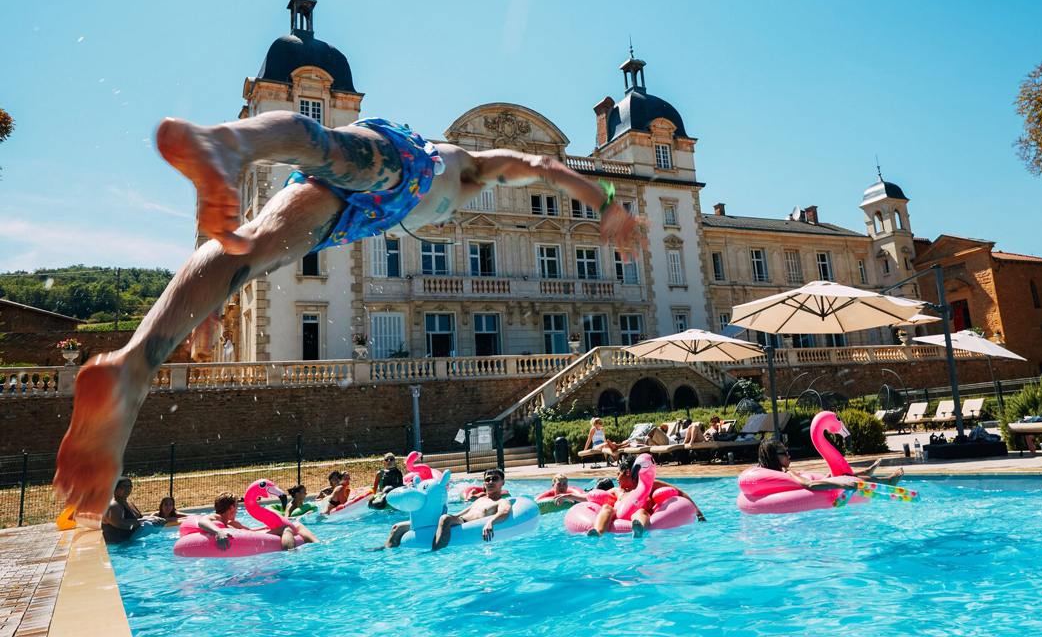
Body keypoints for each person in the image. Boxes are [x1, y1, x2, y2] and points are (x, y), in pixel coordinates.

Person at [54, 111, 647, 514]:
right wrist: (609, 205)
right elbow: (542, 166)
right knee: (330, 149)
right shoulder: (468, 163)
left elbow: (539, 169)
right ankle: (229, 143)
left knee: (247, 251)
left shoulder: (461, 178)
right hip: (404, 168)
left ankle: (135, 363)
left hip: (351, 217)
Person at [384, 467, 512, 550]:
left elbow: (505, 512)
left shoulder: (501, 501)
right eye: (487, 479)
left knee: (445, 518)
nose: (490, 482)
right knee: (398, 526)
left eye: (495, 479)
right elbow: (462, 513)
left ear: (503, 482)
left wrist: (490, 522)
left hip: (466, 524)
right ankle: (385, 550)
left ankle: (435, 552)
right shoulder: (481, 499)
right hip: (458, 519)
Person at [589, 455, 706, 538]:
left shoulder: (649, 485)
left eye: (618, 474)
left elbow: (679, 493)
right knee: (606, 508)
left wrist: (699, 513)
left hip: (640, 515)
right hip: (619, 516)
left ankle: (639, 530)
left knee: (640, 511)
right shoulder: (619, 491)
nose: (617, 479)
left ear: (628, 472)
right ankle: (598, 532)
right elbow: (595, 497)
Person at [193, 490, 318, 552]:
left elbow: (251, 532)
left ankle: (317, 544)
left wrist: (267, 527)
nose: (237, 509)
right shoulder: (218, 518)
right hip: (248, 542)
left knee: (296, 524)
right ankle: (290, 555)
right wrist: (218, 532)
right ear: (231, 507)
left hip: (252, 538)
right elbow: (202, 521)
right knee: (287, 528)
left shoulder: (232, 524)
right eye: (236, 506)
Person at [757, 438, 904, 486]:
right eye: (784, 453)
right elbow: (808, 484)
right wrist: (841, 484)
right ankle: (888, 481)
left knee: (840, 474)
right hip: (819, 489)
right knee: (846, 477)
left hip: (816, 484)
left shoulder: (771, 474)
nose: (789, 456)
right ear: (772, 457)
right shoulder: (788, 473)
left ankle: (866, 472)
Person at [101, 476, 165, 544]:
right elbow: (120, 524)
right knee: (148, 524)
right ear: (114, 489)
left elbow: (140, 518)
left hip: (129, 542)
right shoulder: (112, 506)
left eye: (129, 486)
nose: (127, 489)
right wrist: (146, 520)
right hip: (115, 545)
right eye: (124, 486)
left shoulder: (130, 504)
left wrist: (153, 518)